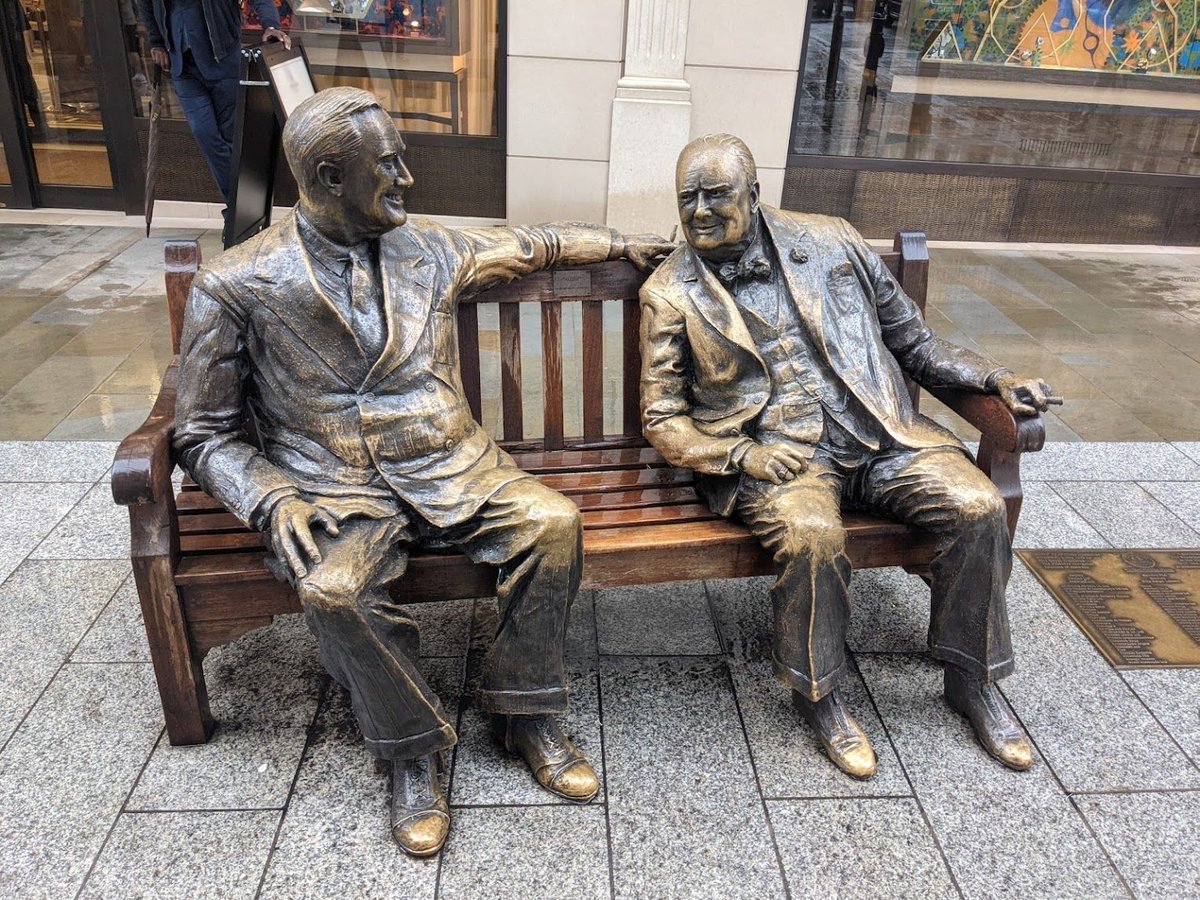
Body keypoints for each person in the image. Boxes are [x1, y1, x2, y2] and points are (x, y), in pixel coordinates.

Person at [173, 87, 672, 857]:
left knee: (553, 525)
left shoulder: (430, 248)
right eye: (389, 165)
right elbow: (201, 433)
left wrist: (620, 241)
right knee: (333, 590)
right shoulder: (238, 282)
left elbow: (532, 244)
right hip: (331, 487)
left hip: (453, 465)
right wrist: (270, 496)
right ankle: (412, 751)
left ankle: (525, 712)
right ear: (331, 177)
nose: (406, 179)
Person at [639, 133, 1055, 779]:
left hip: (883, 436)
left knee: (977, 506)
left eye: (715, 195)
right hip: (778, 456)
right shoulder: (671, 290)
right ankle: (820, 694)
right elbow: (663, 417)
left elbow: (914, 342)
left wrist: (994, 378)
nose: (698, 212)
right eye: (686, 197)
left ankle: (972, 681)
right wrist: (741, 455)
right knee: (811, 534)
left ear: (753, 194)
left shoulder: (832, 240)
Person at [135, 0, 290, 211]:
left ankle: (238, 216)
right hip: (183, 67)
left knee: (232, 139)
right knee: (205, 134)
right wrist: (157, 43)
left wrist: (271, 25)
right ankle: (244, 210)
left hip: (223, 61)